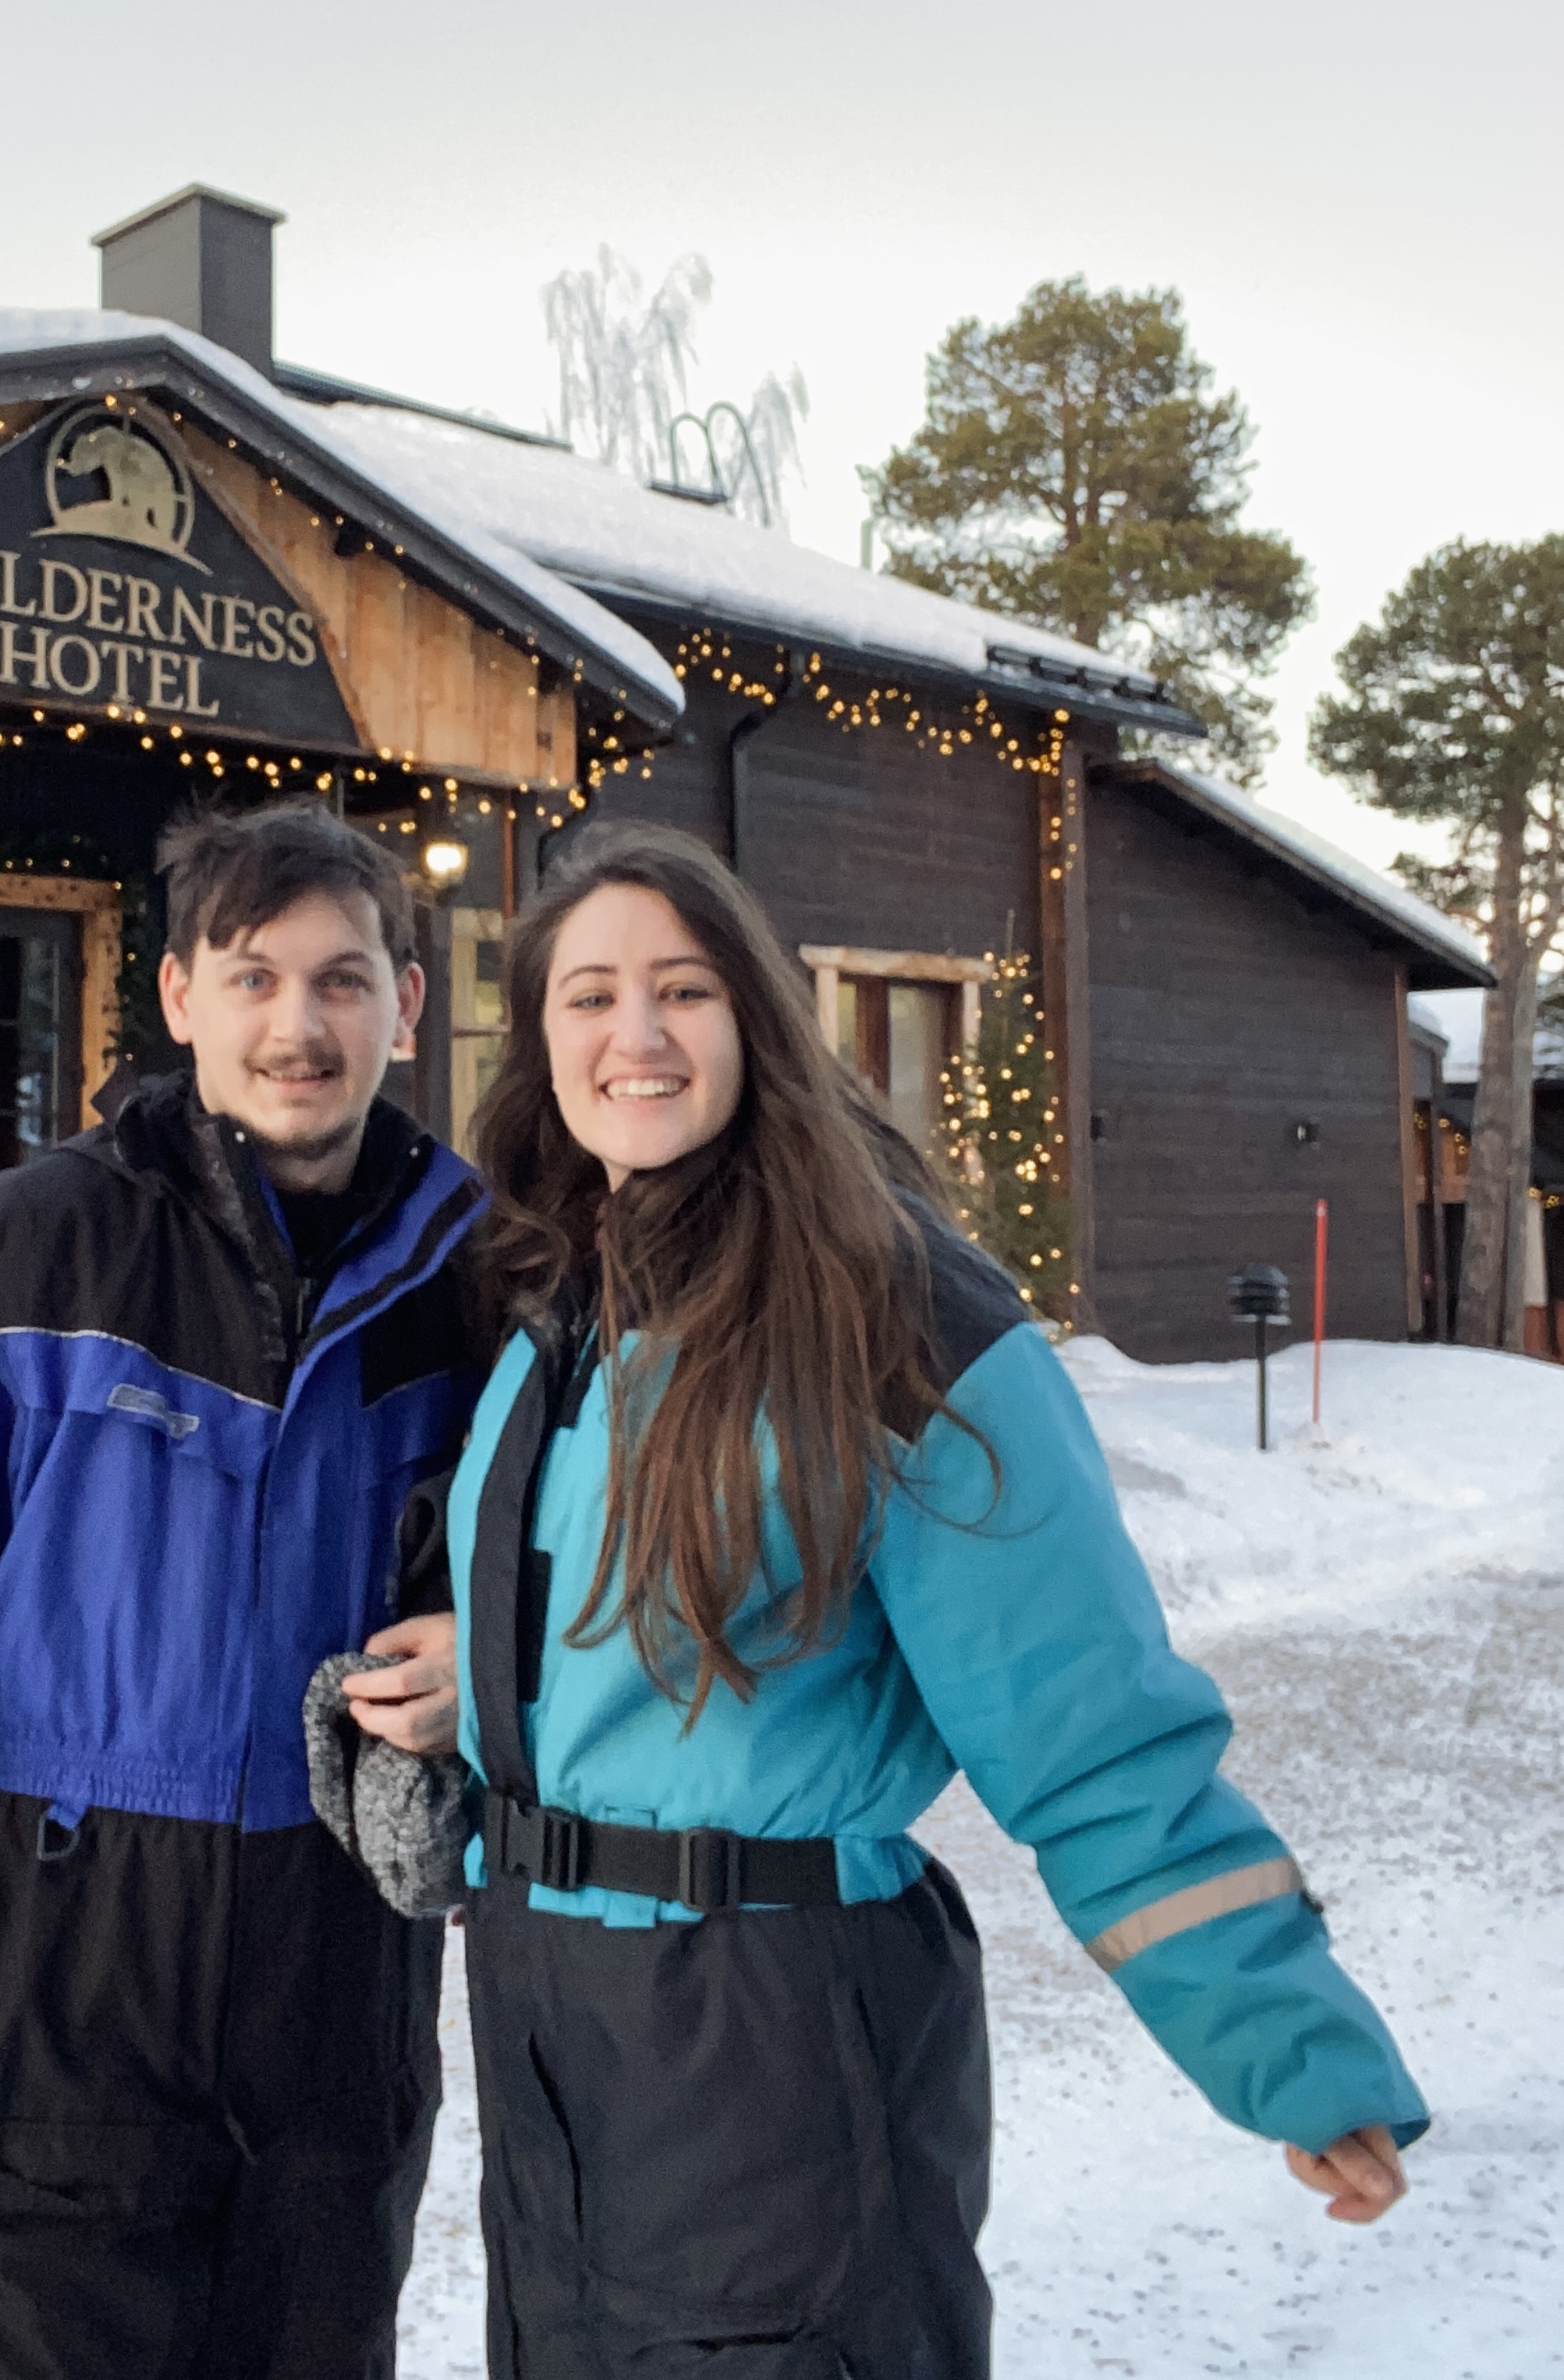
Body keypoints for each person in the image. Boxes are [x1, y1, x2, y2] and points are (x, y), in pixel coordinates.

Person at [443, 823, 1426, 2380]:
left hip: (770, 2027)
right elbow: (627, 1618)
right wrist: (473, 1690)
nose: (635, 1036)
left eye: (683, 990)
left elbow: (1088, 1722)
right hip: (551, 2015)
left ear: (758, 1025)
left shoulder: (889, 1316)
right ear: (538, 1037)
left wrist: (1286, 2045)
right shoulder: (556, 1304)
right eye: (589, 996)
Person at [0, 803, 473, 2380]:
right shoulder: (19, 1255)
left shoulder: (477, 1277)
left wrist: (486, 1664)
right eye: (255, 976)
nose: (300, 1025)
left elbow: (574, 1572)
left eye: (345, 981)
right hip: (48, 1963)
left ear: (406, 1004)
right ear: (179, 998)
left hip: (334, 1980)